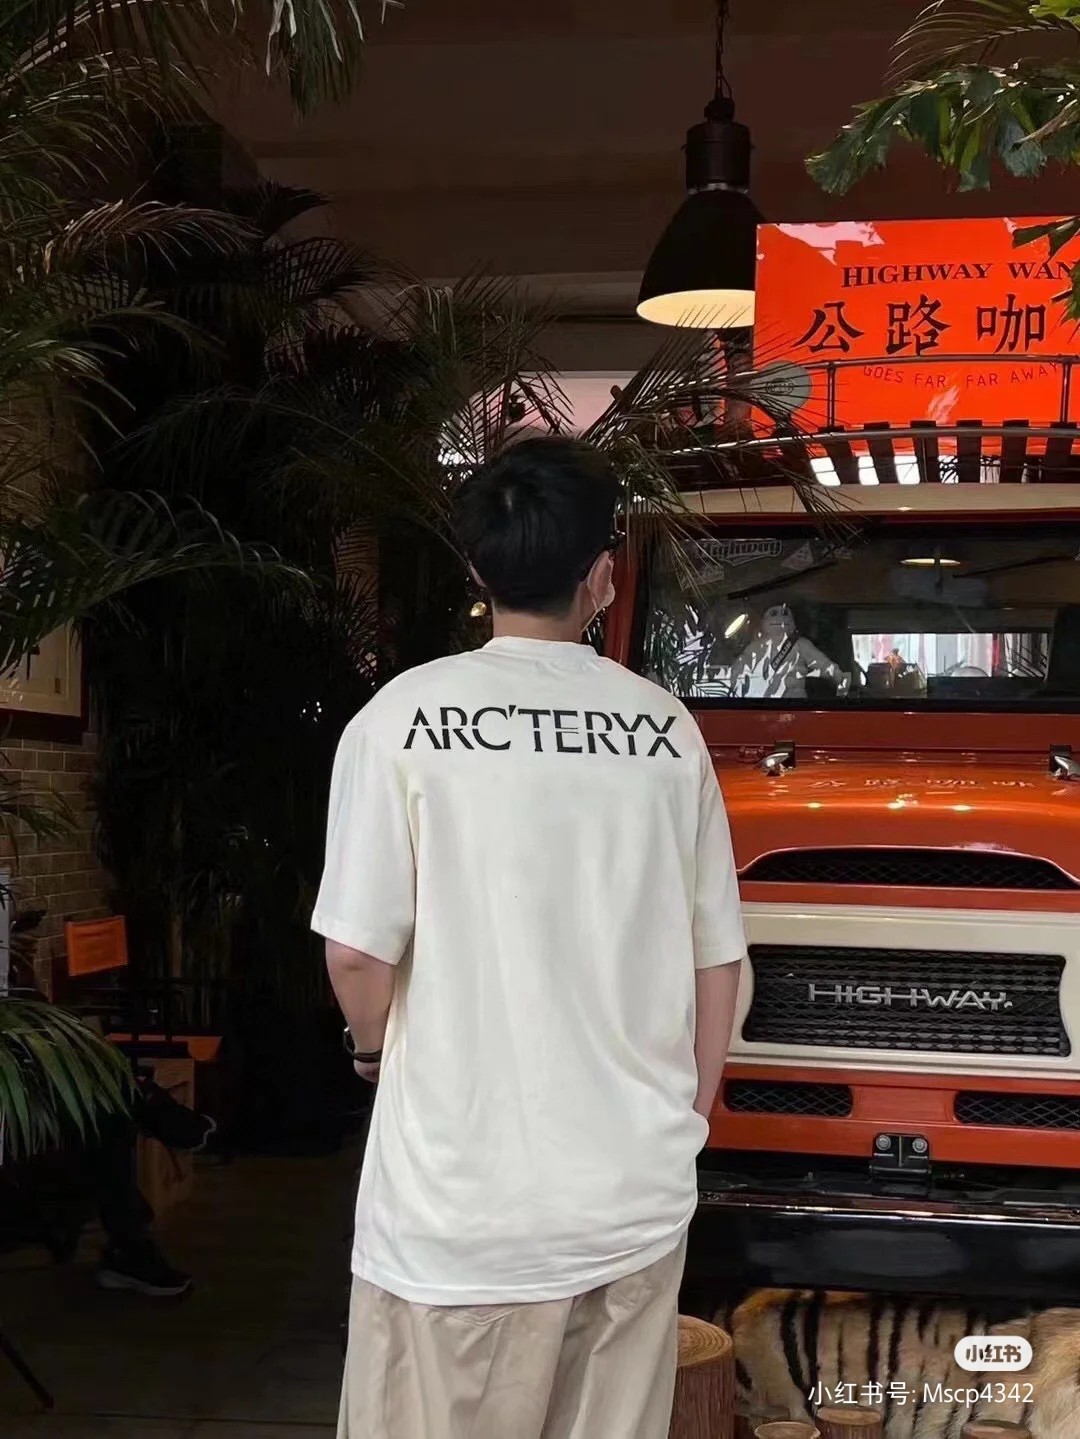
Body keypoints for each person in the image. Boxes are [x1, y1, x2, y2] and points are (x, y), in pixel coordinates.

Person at [313, 436, 747, 1439]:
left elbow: (356, 953)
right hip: (630, 1200)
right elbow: (716, 958)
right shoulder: (663, 730)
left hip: (459, 1214)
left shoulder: (401, 720)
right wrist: (684, 1122)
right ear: (603, 573)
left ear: (477, 569)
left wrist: (372, 1048)